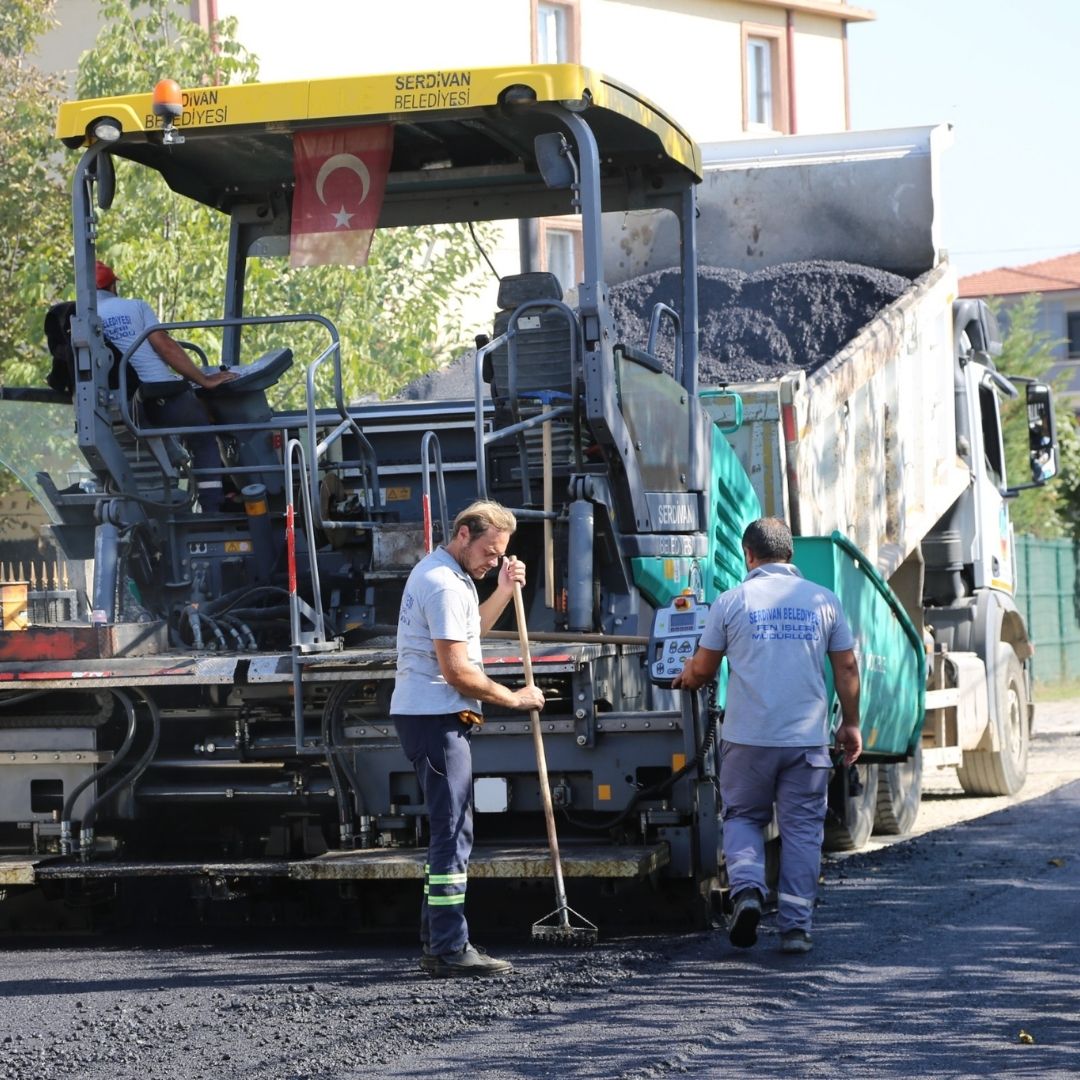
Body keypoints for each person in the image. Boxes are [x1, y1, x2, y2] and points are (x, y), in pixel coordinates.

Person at [672, 516, 862, 956]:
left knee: (742, 818)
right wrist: (849, 723)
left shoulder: (731, 601)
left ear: (749, 555)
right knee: (801, 833)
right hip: (806, 742)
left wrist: (687, 676)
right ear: (790, 554)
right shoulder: (824, 601)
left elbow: (702, 670)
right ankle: (795, 928)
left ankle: (748, 891)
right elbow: (847, 668)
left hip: (747, 739)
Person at [390, 500, 545, 978]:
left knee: (450, 828)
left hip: (432, 717)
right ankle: (451, 947)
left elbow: (469, 632)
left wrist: (500, 590)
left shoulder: (447, 577)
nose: (493, 561)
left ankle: (438, 941)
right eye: (490, 553)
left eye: (500, 556)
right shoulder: (441, 582)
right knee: (453, 830)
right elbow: (457, 670)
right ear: (462, 534)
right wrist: (514, 698)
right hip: (435, 718)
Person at [94, 260, 236, 511]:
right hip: (158, 395)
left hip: (115, 408)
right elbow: (165, 346)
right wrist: (204, 379)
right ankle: (213, 506)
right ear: (113, 285)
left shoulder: (81, 319)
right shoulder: (134, 307)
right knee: (203, 435)